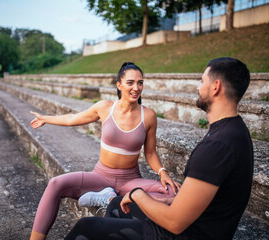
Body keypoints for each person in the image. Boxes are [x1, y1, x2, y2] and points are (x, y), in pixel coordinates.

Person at [64, 57, 254, 240]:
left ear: (216, 87)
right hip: (199, 224)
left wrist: (137, 194)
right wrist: (157, 199)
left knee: (86, 228)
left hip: (186, 234)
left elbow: (174, 222)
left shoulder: (217, 146)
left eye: (202, 81)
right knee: (116, 204)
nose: (198, 87)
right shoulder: (234, 131)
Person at [29, 62, 181, 240]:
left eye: (140, 83)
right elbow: (72, 119)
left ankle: (110, 199)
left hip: (130, 180)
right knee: (56, 184)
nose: (136, 88)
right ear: (119, 85)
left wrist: (162, 172)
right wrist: (45, 118)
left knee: (173, 192)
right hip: (101, 176)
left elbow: (150, 153)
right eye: (130, 82)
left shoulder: (148, 116)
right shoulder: (105, 107)